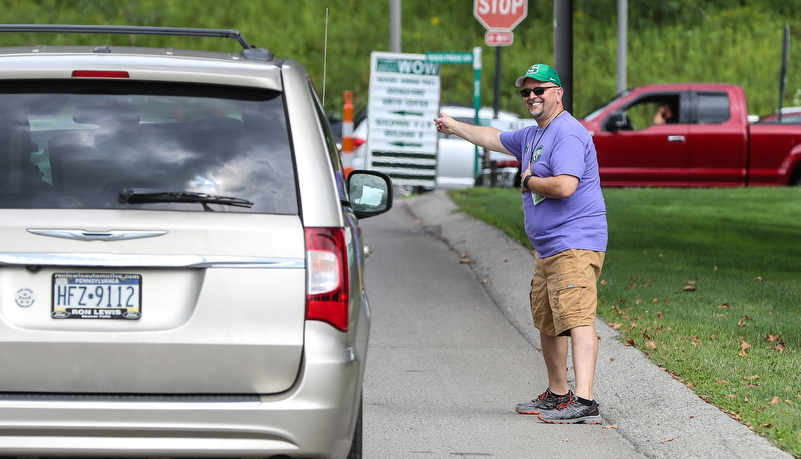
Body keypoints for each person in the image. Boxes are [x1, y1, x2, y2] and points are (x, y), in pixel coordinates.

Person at [434, 64, 608, 424]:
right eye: (526, 92)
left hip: (575, 242)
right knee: (547, 319)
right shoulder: (533, 135)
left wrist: (528, 179)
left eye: (539, 90)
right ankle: (558, 393)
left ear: (558, 92)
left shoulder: (568, 134)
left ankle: (585, 402)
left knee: (576, 317)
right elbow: (492, 137)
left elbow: (564, 186)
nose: (532, 96)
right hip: (548, 248)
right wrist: (454, 127)